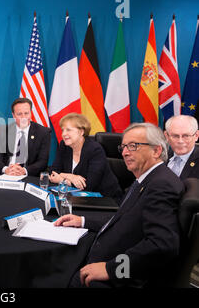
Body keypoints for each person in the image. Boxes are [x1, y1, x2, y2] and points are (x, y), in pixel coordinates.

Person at [54, 123, 184, 287]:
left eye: (133, 146)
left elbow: (162, 245)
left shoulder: (161, 184)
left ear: (156, 151)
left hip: (120, 277)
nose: (124, 152)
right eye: (123, 147)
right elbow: (124, 218)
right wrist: (82, 221)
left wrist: (111, 269)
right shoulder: (145, 179)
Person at [49, 113, 122, 199]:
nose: (64, 134)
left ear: (81, 132)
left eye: (68, 130)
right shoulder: (64, 146)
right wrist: (70, 176)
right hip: (77, 198)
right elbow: (53, 171)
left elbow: (88, 185)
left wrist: (62, 180)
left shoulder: (95, 150)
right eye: (63, 130)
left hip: (105, 199)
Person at [0, 98, 51, 177]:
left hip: (29, 176)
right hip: (7, 175)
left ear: (31, 113)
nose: (23, 117)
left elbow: (42, 162)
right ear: (13, 115)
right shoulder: (4, 131)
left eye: (26, 113)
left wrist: (24, 171)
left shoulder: (43, 132)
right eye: (19, 114)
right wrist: (6, 169)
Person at [164, 114, 199, 179]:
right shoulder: (160, 157)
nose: (180, 141)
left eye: (186, 136)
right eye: (175, 136)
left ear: (196, 135)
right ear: (166, 136)